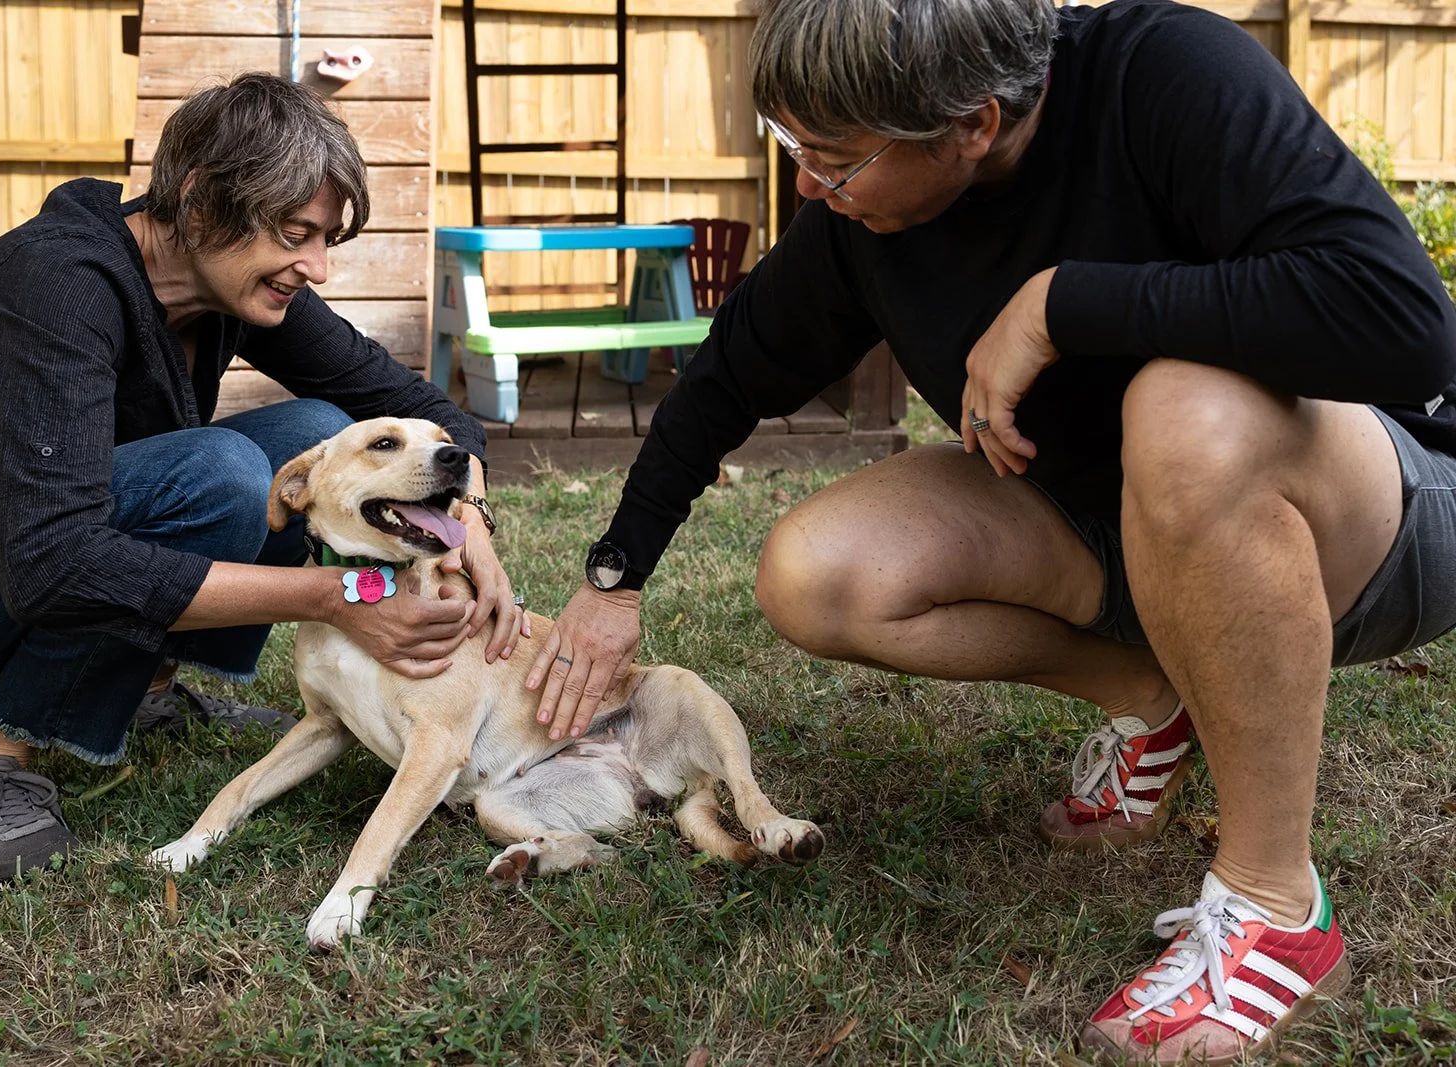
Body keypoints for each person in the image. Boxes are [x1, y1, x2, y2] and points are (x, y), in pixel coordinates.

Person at [527, 0, 1456, 1061]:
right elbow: (728, 368)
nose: (804, 186)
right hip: (1118, 535)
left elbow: (1401, 324)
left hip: (1383, 517)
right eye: (796, 148)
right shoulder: (863, 219)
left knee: (1184, 407)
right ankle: (1154, 697)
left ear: (971, 122)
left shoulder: (1162, 71)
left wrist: (1063, 305)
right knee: (818, 569)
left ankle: (1273, 900)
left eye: (833, 158)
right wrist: (613, 577)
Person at [0, 73, 526, 884]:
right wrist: (338, 598)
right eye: (294, 232)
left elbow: (422, 407)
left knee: (317, 437)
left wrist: (473, 521)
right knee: (219, 474)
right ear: (202, 202)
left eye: (325, 239)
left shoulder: (225, 282)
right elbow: (50, 563)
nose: (316, 266)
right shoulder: (55, 287)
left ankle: (143, 686)